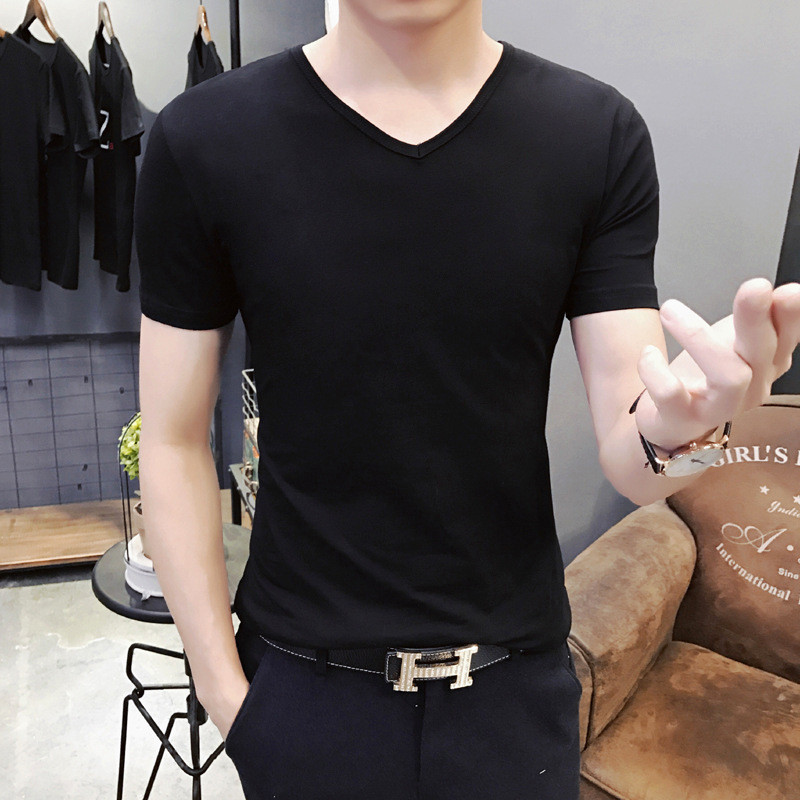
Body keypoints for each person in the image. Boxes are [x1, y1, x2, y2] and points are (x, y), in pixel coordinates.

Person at [134, 2, 800, 798]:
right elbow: (172, 440)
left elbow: (637, 458)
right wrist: (222, 691)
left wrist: (692, 429)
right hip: (300, 692)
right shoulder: (206, 137)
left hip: (513, 698)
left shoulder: (592, 134)